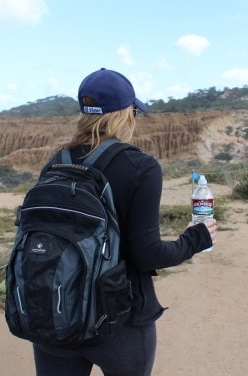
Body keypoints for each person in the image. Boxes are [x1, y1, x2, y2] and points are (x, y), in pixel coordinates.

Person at [32, 68, 217, 376]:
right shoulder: (140, 167)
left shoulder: (56, 163)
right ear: (125, 113)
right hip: (120, 320)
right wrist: (196, 239)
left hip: (57, 311)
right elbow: (147, 255)